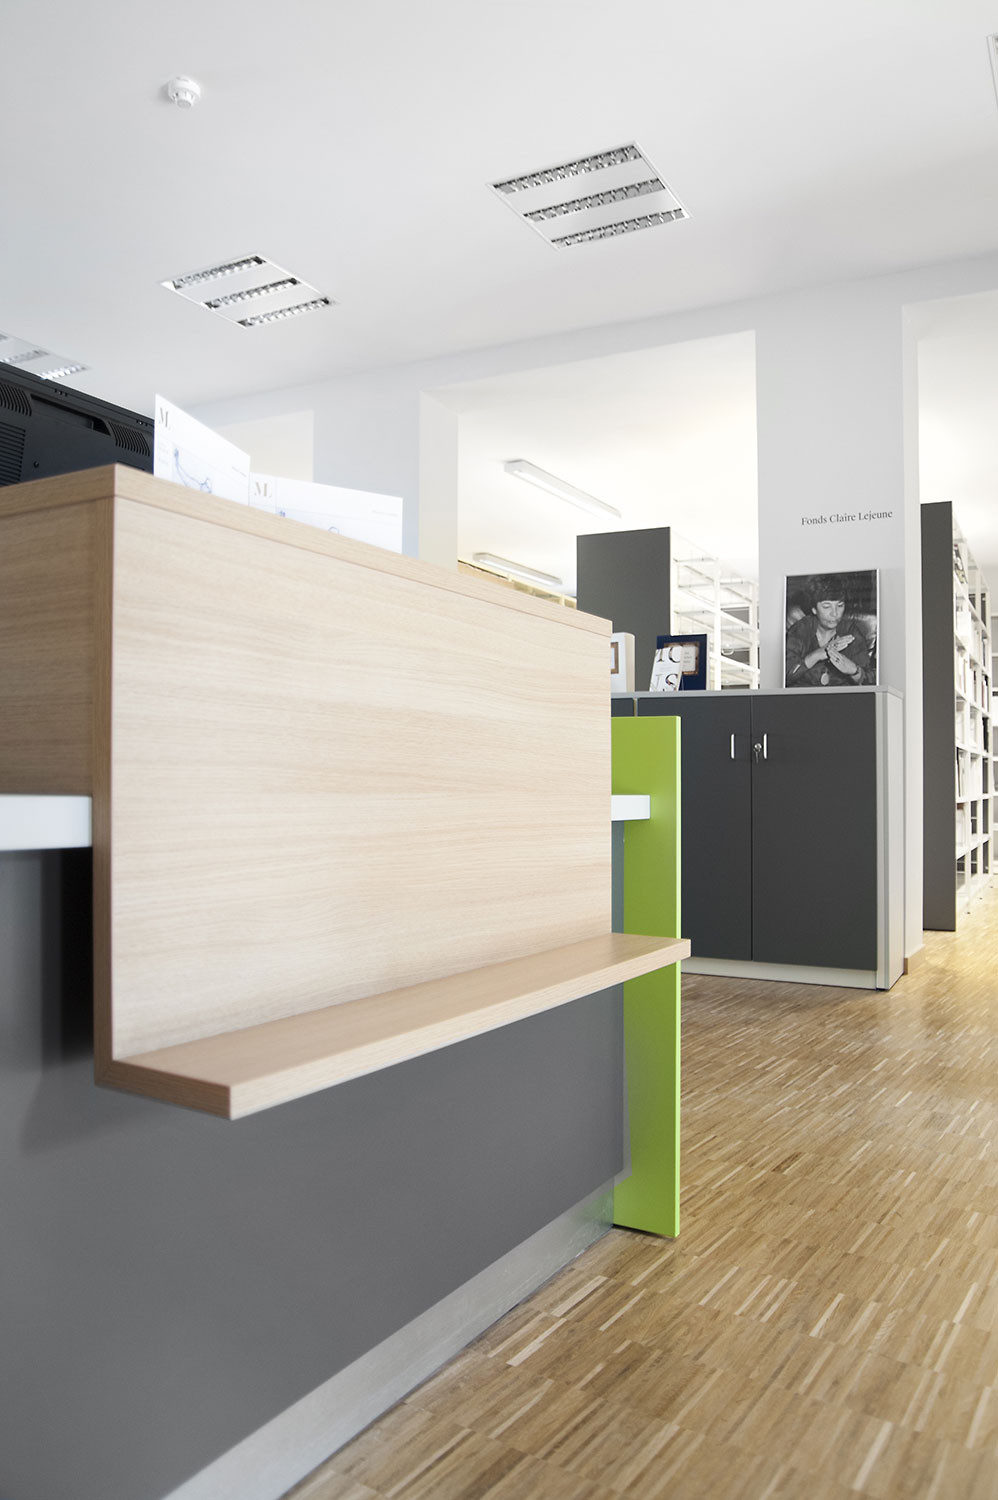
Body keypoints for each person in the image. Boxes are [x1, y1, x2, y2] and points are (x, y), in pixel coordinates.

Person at [785, 574, 872, 687]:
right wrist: (816, 655)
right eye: (826, 607)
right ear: (814, 609)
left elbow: (870, 681)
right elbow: (785, 676)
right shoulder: (801, 629)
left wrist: (854, 671)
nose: (834, 613)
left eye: (840, 606)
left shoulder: (850, 632)